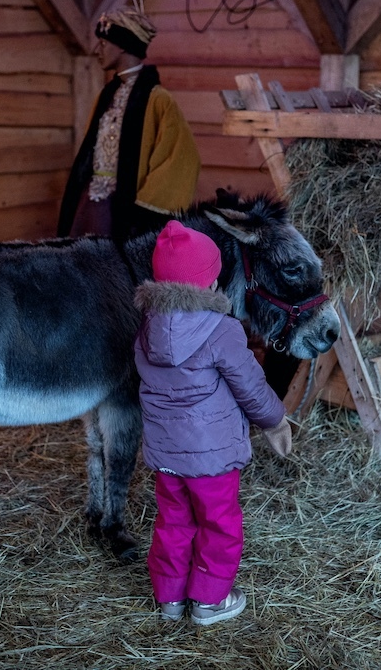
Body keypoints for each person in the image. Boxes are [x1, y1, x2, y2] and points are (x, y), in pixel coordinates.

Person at [134, 220, 293, 624]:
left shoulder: (148, 329)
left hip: (167, 454)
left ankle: (170, 599)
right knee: (218, 525)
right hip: (212, 456)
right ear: (208, 282)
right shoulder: (221, 330)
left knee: (173, 521)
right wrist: (274, 421)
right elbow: (250, 384)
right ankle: (208, 602)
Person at [58, 9, 200, 241]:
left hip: (124, 207)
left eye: (103, 43)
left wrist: (143, 207)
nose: (97, 50)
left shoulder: (157, 99)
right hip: (93, 201)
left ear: (122, 45)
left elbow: (181, 157)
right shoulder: (107, 95)